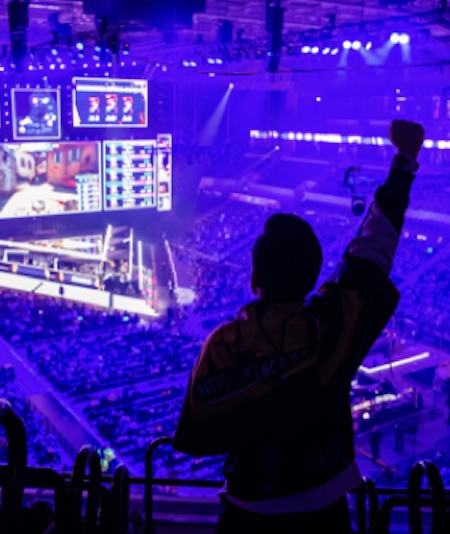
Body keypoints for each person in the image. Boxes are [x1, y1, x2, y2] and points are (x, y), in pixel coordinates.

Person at [173, 120, 425, 533]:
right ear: (312, 276)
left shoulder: (223, 346)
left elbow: (195, 437)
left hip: (244, 515)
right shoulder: (333, 325)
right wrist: (404, 162)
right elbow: (372, 250)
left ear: (254, 278)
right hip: (324, 513)